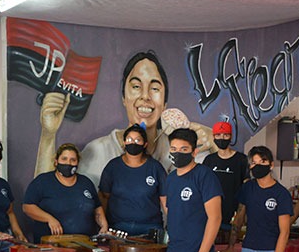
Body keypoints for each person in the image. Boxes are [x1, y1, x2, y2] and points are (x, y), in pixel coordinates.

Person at [36, 51, 214, 186]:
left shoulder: (181, 150)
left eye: (154, 88)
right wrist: (48, 135)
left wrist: (214, 143)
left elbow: (214, 185)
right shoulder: (99, 151)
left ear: (165, 102)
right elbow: (50, 191)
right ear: (123, 97)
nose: (145, 96)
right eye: (136, 86)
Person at [98, 124, 167, 252]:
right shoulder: (113, 167)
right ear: (123, 142)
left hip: (150, 228)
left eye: (138, 140)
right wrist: (104, 226)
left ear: (145, 144)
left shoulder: (155, 168)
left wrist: (172, 225)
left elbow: (165, 201)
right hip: (121, 229)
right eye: (130, 139)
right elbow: (103, 197)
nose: (133, 143)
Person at [194, 121, 249, 252]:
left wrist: (240, 217)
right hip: (210, 218)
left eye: (226, 136)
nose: (222, 139)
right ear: (214, 137)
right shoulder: (209, 161)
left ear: (231, 137)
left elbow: (246, 191)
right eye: (218, 136)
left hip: (232, 216)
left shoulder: (241, 160)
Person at [23, 143, 108, 241]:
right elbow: (27, 207)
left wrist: (104, 226)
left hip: (85, 244)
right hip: (51, 244)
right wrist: (49, 219)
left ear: (77, 163)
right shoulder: (42, 181)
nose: (68, 163)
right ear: (56, 162)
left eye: (73, 160)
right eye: (64, 159)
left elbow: (97, 208)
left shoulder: (86, 182)